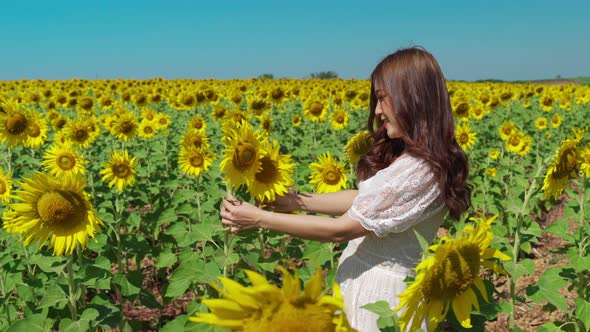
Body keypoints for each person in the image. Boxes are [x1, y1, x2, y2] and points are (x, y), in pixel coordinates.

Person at [219, 46, 471, 331]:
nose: (376, 111)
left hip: (381, 304)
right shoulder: (418, 158)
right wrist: (298, 201)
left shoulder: (418, 170)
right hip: (367, 289)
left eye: (382, 99)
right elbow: (368, 200)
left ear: (411, 98)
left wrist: (260, 219)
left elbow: (341, 230)